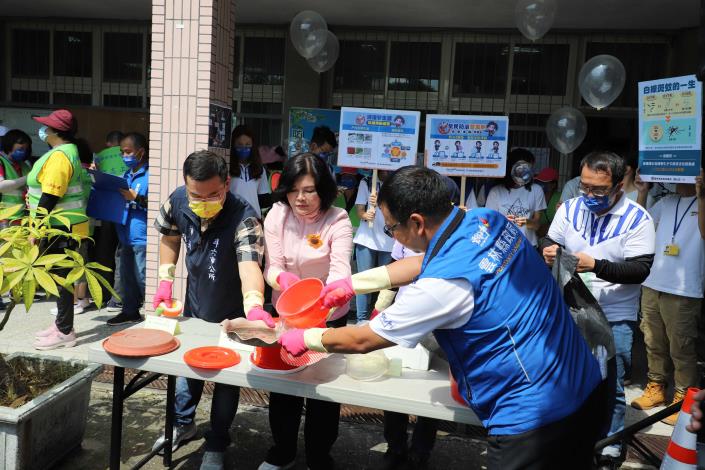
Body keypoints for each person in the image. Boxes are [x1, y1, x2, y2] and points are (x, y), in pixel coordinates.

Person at [274, 166, 606, 469]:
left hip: (534, 418)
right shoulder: (487, 221)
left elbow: (363, 339)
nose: (392, 236)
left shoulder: (441, 286)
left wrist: (305, 338)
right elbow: (425, 263)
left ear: (416, 222)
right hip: (584, 383)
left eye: (391, 229)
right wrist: (355, 283)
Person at [152, 150, 266, 470]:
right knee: (188, 369)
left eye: (212, 194)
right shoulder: (177, 200)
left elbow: (249, 266)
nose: (202, 201)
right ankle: (182, 424)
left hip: (232, 310)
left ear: (226, 184)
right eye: (195, 194)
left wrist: (255, 307)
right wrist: (164, 281)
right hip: (195, 302)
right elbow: (170, 237)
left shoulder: (244, 217)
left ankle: (217, 441)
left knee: (227, 379)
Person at [541, 151, 655, 469]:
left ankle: (610, 444)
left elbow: (640, 270)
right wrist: (547, 251)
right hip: (572, 308)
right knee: (567, 375)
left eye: (599, 190)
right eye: (585, 186)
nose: (589, 195)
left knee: (611, 384)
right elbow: (549, 238)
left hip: (614, 314)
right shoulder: (572, 208)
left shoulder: (637, 218)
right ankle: (571, 435)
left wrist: (596, 265)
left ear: (619, 185)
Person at [251, 152, 352, 470]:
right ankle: (283, 450)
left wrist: (331, 294)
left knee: (323, 388)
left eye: (309, 190)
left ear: (323, 189)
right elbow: (271, 267)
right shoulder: (277, 215)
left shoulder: (338, 219)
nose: (301, 198)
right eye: (294, 190)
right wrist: (284, 279)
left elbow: (340, 270)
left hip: (328, 315)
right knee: (285, 386)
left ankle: (320, 456)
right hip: (289, 313)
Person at [630, 169, 705, 425]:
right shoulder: (666, 201)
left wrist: (701, 194)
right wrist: (642, 192)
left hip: (684, 288)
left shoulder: (702, 200)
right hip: (654, 282)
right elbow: (641, 229)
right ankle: (656, 387)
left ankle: (684, 397)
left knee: (681, 346)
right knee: (653, 340)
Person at [376, 240, 440, 470]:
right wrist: (381, 305)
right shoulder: (402, 228)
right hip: (402, 318)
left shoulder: (452, 230)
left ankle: (421, 451)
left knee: (432, 389)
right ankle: (395, 446)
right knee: (396, 381)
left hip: (437, 321)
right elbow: (393, 269)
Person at [31, 109, 89, 350]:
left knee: (61, 278)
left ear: (55, 132)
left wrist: (36, 227)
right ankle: (60, 324)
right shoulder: (66, 152)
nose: (42, 131)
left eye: (46, 127)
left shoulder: (60, 157)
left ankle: (65, 331)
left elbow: (50, 195)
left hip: (60, 228)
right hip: (64, 226)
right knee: (59, 277)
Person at [106, 132, 149, 325]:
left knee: (143, 277)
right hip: (124, 235)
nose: (125, 156)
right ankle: (130, 311)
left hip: (141, 236)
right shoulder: (125, 175)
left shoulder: (151, 175)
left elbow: (155, 203)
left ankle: (153, 314)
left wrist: (136, 198)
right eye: (122, 152)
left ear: (141, 152)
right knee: (126, 277)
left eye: (128, 152)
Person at [353, 170, 393, 323]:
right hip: (366, 239)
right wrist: (365, 215)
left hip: (390, 242)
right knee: (364, 282)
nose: (385, 172)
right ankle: (361, 320)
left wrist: (381, 203)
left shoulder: (399, 183)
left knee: (387, 286)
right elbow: (359, 211)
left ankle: (380, 320)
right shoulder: (367, 181)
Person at [94, 130, 127, 313]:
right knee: (122, 254)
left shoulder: (99, 157)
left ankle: (101, 295)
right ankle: (117, 297)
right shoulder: (130, 158)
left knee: (104, 254)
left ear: (108, 143)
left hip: (106, 211)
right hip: (125, 211)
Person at [485, 148, 546, 247]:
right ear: (512, 167)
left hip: (528, 246)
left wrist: (527, 222)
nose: (528, 171)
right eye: (525, 167)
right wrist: (503, 220)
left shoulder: (536, 190)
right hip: (503, 247)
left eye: (530, 168)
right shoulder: (496, 192)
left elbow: (537, 225)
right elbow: (488, 223)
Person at [228, 125, 272, 219]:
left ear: (253, 146)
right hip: (231, 219)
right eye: (239, 144)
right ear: (233, 145)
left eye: (248, 144)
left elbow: (263, 197)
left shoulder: (259, 169)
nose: (244, 148)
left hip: (254, 220)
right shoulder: (227, 168)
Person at [0, 129, 32, 225]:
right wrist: (28, 178)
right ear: (9, 144)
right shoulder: (1, 162)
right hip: (4, 219)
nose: (23, 152)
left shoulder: (25, 166)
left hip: (22, 218)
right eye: (21, 148)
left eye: (26, 149)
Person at [535, 167, 560, 238]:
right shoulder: (534, 196)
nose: (541, 185)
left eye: (545, 182)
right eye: (539, 182)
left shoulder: (560, 198)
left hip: (551, 240)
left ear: (553, 185)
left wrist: (545, 228)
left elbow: (561, 224)